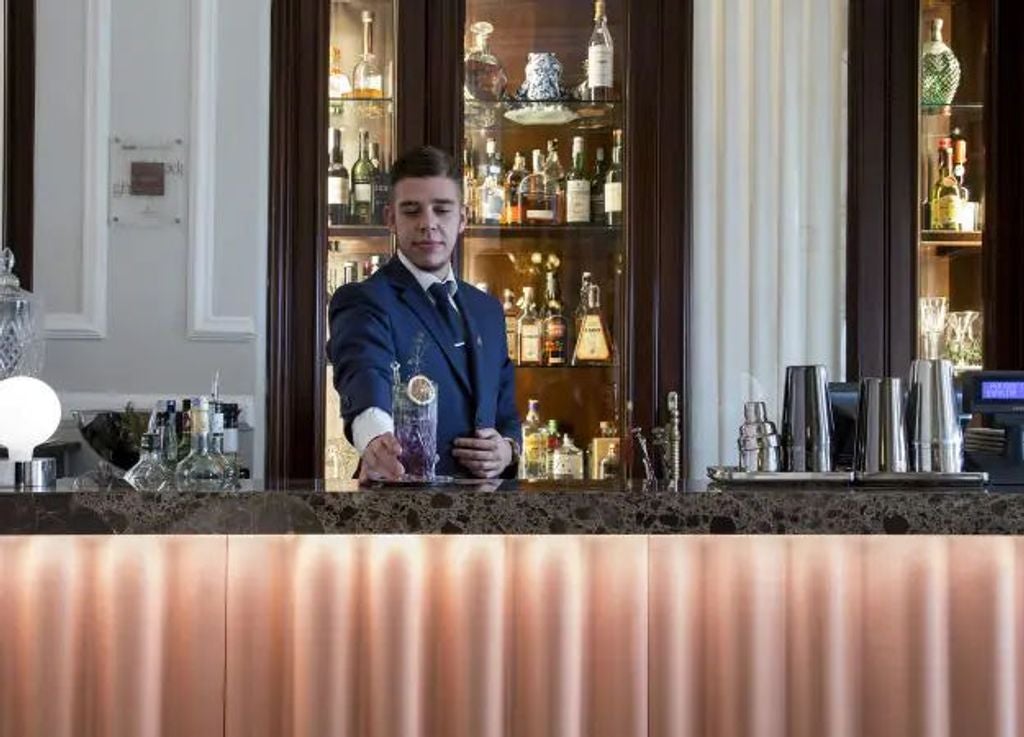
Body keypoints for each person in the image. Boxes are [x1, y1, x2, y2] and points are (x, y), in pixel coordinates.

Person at [327, 146, 520, 481]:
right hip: (400, 508)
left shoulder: (487, 311)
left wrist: (506, 450)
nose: (428, 224)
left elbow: (506, 411)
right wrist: (376, 440)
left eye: (442, 210)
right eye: (412, 211)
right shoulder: (364, 301)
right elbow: (364, 374)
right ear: (390, 218)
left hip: (487, 517)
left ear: (462, 219)